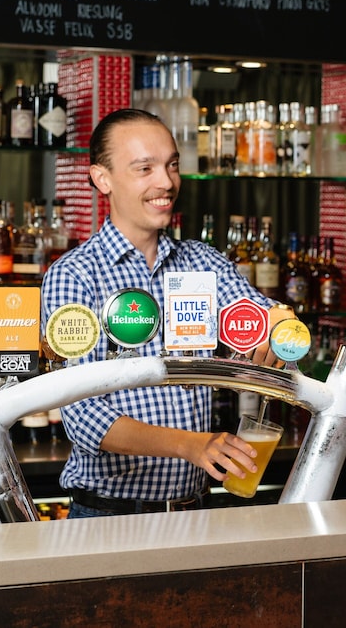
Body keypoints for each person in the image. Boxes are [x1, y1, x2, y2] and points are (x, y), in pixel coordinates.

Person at [41, 108, 294, 518]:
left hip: (195, 512)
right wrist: (192, 445)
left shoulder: (202, 263)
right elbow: (83, 418)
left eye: (172, 165)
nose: (166, 182)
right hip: (110, 518)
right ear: (102, 179)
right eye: (145, 168)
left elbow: (262, 319)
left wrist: (281, 321)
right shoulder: (75, 275)